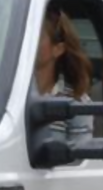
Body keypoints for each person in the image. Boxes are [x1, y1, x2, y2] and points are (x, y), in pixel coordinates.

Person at [35, 9, 93, 142]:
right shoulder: (6, 93)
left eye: (37, 36)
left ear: (58, 49)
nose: (27, 42)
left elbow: (80, 158)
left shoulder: (76, 102)